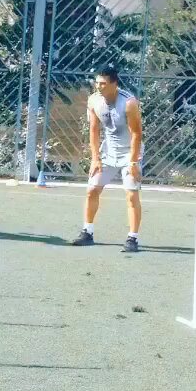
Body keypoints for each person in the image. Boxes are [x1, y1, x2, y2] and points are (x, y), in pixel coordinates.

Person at [72, 64, 144, 252]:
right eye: (97, 83)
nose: (98, 86)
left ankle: (132, 238)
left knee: (131, 194)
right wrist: (95, 158)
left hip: (129, 153)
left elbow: (137, 133)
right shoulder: (94, 100)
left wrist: (133, 162)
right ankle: (87, 232)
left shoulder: (129, 103)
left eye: (103, 83)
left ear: (114, 84)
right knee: (92, 190)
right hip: (107, 153)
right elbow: (94, 131)